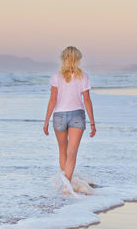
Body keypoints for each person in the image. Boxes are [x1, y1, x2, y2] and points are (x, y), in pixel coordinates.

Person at [43, 46, 96, 195]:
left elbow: (53, 100)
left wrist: (46, 121)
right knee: (72, 154)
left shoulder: (56, 76)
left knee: (62, 151)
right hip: (77, 116)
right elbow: (86, 99)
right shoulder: (83, 76)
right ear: (77, 59)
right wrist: (92, 122)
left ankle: (67, 183)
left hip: (59, 115)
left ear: (63, 59)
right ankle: (66, 187)